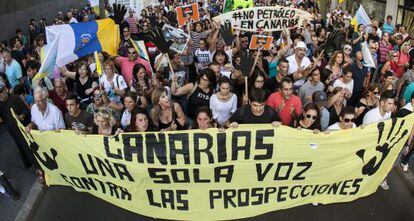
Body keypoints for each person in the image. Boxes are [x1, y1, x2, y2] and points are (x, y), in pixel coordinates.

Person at [0, 81, 34, 168]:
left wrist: (21, 117)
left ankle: (38, 169)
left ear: (5, 89)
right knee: (22, 149)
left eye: (1, 91)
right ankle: (31, 165)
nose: (0, 95)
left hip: (24, 129)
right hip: (13, 132)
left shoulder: (15, 98)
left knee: (30, 149)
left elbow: (26, 111)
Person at [398, 92, 414, 172]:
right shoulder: (405, 112)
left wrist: (407, 145)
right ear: (413, 100)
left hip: (404, 143)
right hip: (397, 142)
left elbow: (412, 130)